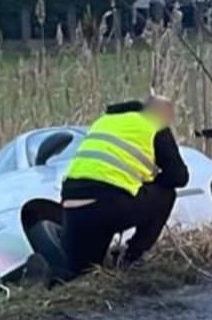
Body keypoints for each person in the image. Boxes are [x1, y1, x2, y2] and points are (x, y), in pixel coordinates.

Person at [57, 94, 189, 281]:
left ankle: (48, 270)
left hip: (72, 208)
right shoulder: (153, 124)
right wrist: (148, 182)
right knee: (166, 195)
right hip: (109, 207)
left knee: (81, 274)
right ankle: (132, 258)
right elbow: (179, 176)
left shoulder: (102, 122)